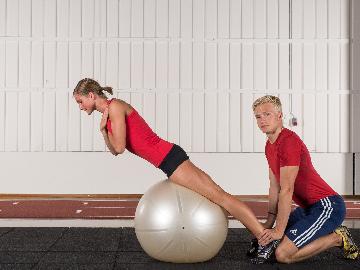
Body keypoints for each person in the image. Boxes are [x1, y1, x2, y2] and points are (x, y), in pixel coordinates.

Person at [73, 78, 266, 241]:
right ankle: (261, 236)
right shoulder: (108, 116)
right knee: (219, 196)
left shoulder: (114, 107)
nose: (80, 107)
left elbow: (120, 147)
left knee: (220, 197)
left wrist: (104, 129)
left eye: (80, 102)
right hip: (167, 161)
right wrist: (103, 131)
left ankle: (263, 238)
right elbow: (115, 151)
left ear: (91, 95)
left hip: (170, 158)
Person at [251, 95, 359, 264]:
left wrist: (279, 230)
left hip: (327, 207)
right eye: (258, 116)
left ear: (280, 116)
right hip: (307, 209)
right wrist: (270, 223)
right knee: (268, 242)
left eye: (267, 114)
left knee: (282, 254)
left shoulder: (288, 141)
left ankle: (338, 237)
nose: (262, 120)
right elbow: (274, 187)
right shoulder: (269, 146)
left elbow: (287, 189)